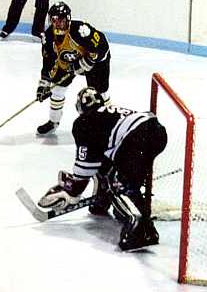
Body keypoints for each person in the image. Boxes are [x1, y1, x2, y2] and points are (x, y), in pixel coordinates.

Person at [38, 87, 168, 251]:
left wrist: (71, 191)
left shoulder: (84, 122)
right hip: (156, 131)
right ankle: (108, 202)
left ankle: (139, 227)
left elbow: (84, 170)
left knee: (120, 185)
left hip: (136, 137)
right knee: (115, 173)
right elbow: (101, 164)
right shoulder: (107, 114)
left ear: (80, 107)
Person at [36, 1, 111, 135]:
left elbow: (102, 47)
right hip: (68, 64)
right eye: (54, 20)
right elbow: (47, 63)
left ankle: (108, 124)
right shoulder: (48, 37)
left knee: (101, 94)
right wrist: (43, 85)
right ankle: (53, 122)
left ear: (68, 19)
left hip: (96, 63)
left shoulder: (81, 30)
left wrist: (84, 63)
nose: (57, 23)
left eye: (61, 20)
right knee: (57, 90)